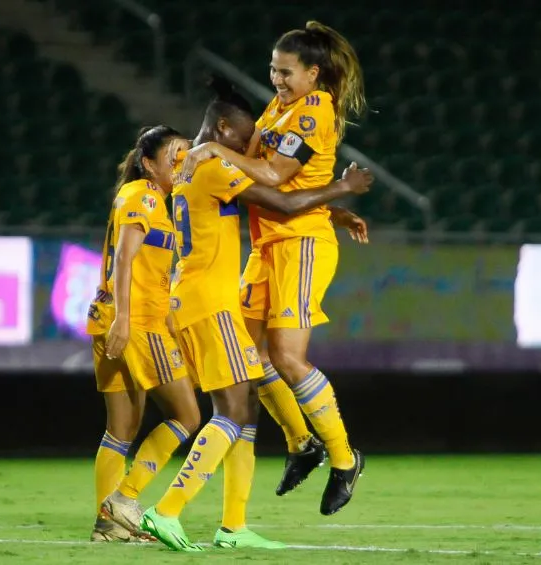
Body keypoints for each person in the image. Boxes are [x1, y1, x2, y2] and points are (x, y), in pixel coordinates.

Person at [140, 76, 373, 552]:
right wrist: (342, 189)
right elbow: (284, 201)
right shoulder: (212, 167)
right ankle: (165, 511)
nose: (250, 150)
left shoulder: (188, 170)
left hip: (194, 300)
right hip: (211, 303)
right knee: (231, 412)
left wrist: (331, 215)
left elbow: (264, 204)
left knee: (246, 407)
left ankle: (235, 524)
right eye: (244, 142)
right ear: (223, 130)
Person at [179, 21, 369, 516]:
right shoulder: (279, 107)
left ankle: (345, 460)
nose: (277, 78)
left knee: (287, 356)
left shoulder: (312, 111)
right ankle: (301, 442)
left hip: (300, 245)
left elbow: (273, 175)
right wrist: (337, 202)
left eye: (286, 71)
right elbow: (287, 177)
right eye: (272, 69)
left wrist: (212, 148)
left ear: (313, 73)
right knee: (249, 355)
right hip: (268, 246)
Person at [87, 126, 201, 542]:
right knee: (188, 415)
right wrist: (125, 319)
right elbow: (125, 259)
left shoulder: (148, 200)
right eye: (175, 154)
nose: (182, 161)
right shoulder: (146, 196)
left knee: (121, 429)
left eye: (187, 153)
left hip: (111, 318)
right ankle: (123, 500)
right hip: (135, 322)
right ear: (149, 163)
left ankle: (108, 525)